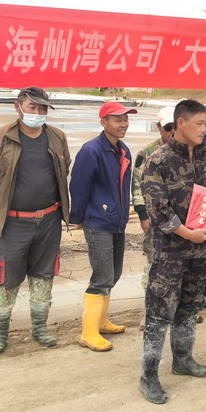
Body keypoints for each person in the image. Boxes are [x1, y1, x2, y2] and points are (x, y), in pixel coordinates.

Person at [0, 86, 71, 357]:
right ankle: (0, 333)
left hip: (49, 220)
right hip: (13, 222)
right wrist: (4, 190)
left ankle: (40, 328)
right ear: (18, 107)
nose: (38, 113)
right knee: (6, 279)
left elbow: (64, 168)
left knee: (43, 276)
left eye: (43, 108)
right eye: (32, 107)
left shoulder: (57, 137)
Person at [139, 99, 206, 404]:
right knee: (159, 315)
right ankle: (148, 376)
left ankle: (183, 360)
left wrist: (203, 234)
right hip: (169, 253)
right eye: (200, 124)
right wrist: (187, 233)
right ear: (181, 122)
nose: (205, 129)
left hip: (200, 251)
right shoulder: (158, 160)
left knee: (190, 309)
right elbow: (158, 209)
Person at [70, 101, 136, 351]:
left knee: (114, 273)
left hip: (117, 221)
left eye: (125, 119)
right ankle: (88, 332)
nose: (123, 124)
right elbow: (79, 185)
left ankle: (101, 321)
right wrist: (77, 217)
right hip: (98, 221)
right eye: (117, 119)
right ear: (103, 122)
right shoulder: (92, 150)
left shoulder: (123, 150)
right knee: (102, 275)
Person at [132, 106, 175, 287]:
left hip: (179, 217)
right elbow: (137, 185)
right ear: (159, 127)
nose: (172, 132)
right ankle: (149, 295)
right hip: (154, 216)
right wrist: (143, 215)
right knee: (154, 258)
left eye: (175, 127)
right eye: (168, 127)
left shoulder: (189, 150)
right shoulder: (147, 152)